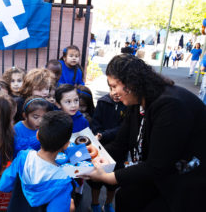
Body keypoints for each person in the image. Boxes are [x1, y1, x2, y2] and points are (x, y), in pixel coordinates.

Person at [80, 54, 206, 212]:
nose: (113, 92)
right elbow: (120, 145)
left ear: (130, 84)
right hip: (160, 174)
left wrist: (106, 177)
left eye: (114, 86)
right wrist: (87, 157)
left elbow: (157, 166)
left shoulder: (171, 105)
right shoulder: (137, 101)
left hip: (186, 180)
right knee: (125, 197)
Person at [0, 111, 74, 212]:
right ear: (66, 145)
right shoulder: (63, 180)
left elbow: (4, 186)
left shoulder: (23, 157)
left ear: (37, 136)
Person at [88, 92, 126, 212]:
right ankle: (95, 204)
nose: (115, 93)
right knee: (96, 181)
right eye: (111, 87)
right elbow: (95, 122)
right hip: (100, 148)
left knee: (113, 182)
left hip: (118, 150)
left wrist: (103, 135)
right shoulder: (102, 102)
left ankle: (108, 204)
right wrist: (98, 134)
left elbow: (123, 128)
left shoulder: (128, 105)